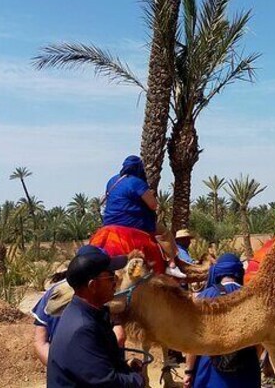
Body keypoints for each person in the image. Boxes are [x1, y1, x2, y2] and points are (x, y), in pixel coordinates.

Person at [47, 245, 144, 387]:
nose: (115, 281)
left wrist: (125, 367)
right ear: (92, 286)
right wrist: (138, 379)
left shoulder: (91, 315)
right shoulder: (82, 328)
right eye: (111, 276)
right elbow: (107, 383)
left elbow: (96, 367)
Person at [183, 253, 261, 388]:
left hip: (210, 371)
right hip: (246, 371)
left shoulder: (205, 297)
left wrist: (188, 371)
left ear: (218, 272)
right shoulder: (252, 297)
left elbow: (194, 340)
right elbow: (260, 341)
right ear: (239, 272)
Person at [102, 155, 185, 278]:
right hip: (132, 223)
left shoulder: (112, 180)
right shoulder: (136, 182)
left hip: (108, 224)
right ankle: (171, 265)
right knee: (164, 233)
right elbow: (153, 205)